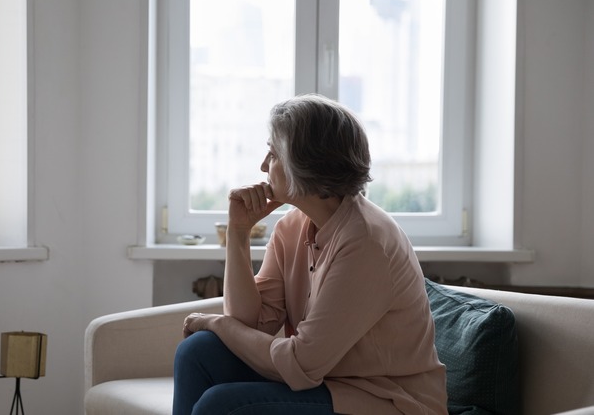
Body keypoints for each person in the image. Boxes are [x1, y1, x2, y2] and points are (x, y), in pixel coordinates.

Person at [172, 94, 447, 415]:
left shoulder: (366, 242)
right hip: (326, 382)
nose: (263, 165)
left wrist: (216, 324)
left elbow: (300, 363)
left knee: (222, 405)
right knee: (197, 352)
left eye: (273, 154)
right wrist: (238, 232)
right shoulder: (293, 226)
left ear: (305, 165)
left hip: (387, 399)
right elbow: (249, 323)